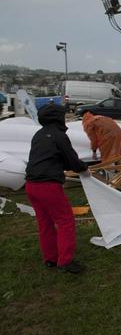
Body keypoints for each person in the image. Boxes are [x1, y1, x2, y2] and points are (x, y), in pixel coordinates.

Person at [25, 105, 89, 274]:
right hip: (48, 185)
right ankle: (65, 261)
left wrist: (73, 166)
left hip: (31, 185)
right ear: (57, 118)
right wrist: (84, 169)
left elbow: (56, 159)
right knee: (65, 221)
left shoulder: (38, 135)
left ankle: (50, 258)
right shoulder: (59, 136)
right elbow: (71, 160)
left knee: (45, 223)